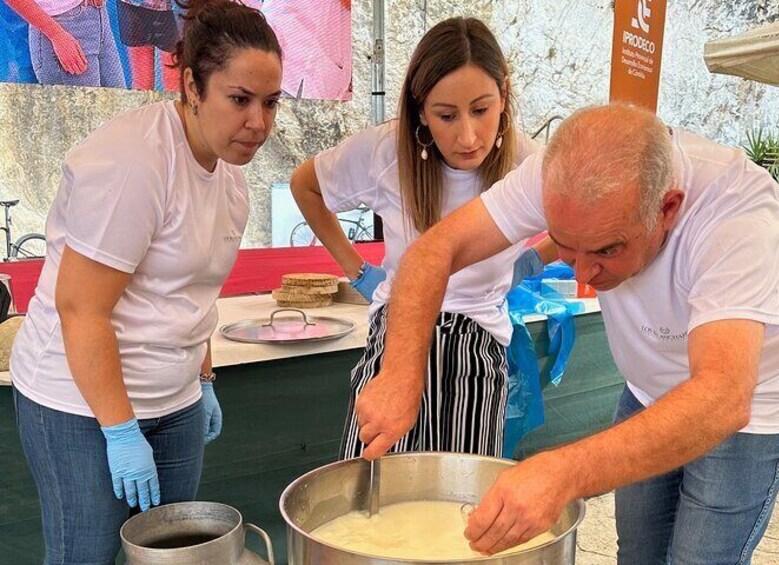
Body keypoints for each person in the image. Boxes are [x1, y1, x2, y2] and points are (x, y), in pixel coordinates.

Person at [361, 103, 779, 562]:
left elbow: (723, 397)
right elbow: (433, 251)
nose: (585, 274)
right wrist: (401, 372)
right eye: (567, 247)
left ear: (668, 208)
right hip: (651, 383)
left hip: (759, 393)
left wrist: (563, 472)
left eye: (606, 250)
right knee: (638, 549)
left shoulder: (737, 215)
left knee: (701, 556)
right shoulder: (559, 173)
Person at [10, 1, 282, 562]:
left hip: (175, 400)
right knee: (83, 556)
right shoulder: (133, 162)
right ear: (191, 86)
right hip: (79, 407)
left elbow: (192, 292)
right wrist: (119, 431)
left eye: (270, 102)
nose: (258, 122)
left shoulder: (231, 178)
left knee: (168, 556)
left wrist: (202, 378)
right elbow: (81, 310)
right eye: (240, 100)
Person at [290, 16, 542, 460]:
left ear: (504, 93)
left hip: (477, 345)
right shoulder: (384, 151)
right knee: (370, 480)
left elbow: (579, 220)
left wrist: (533, 259)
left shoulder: (529, 163)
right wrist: (358, 270)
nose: (468, 136)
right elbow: (305, 186)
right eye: (446, 116)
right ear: (420, 108)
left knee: (461, 501)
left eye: (481, 110)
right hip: (397, 334)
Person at [5, 0, 126, 88]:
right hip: (60, 28)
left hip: (97, 14)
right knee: (85, 118)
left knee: (121, 112)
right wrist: (56, 35)